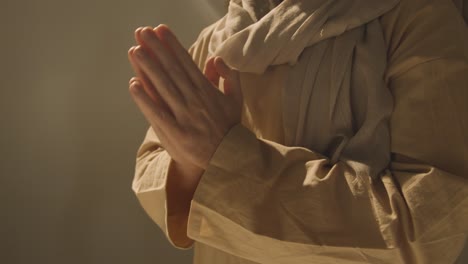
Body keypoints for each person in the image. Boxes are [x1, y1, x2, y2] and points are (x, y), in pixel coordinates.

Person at [127, 0, 468, 263]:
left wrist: (222, 155)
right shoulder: (215, 39)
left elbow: (429, 226)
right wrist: (189, 165)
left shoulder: (419, 21)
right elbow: (152, 169)